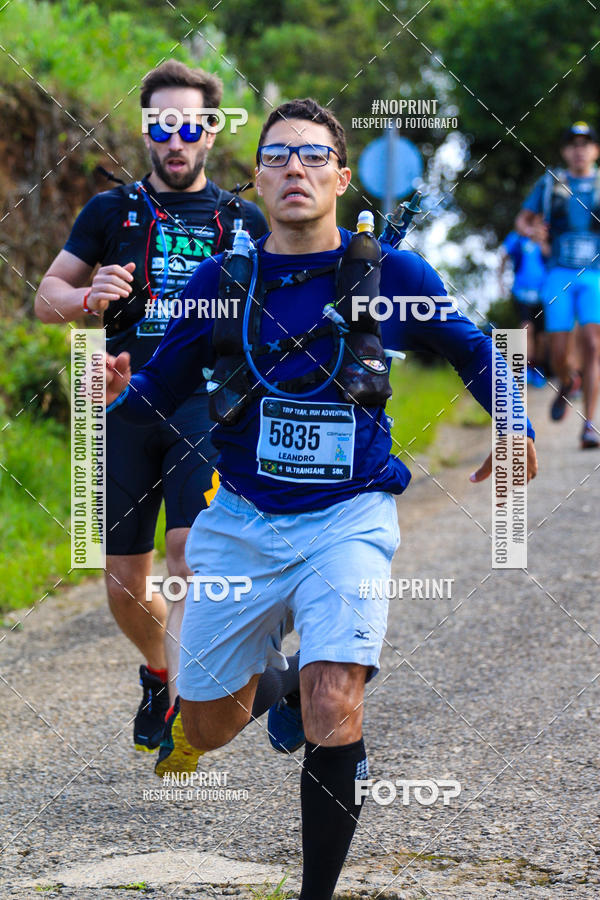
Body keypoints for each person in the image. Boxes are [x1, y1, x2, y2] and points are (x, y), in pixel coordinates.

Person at [103, 98, 538, 900]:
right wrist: (115, 392)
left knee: (335, 705)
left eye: (312, 157)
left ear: (340, 177)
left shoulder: (388, 275)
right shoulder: (219, 282)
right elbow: (155, 389)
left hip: (350, 519)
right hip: (239, 523)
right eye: (276, 157)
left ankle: (314, 893)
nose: (294, 169)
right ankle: (276, 679)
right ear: (256, 181)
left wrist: (512, 423)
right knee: (206, 725)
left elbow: (471, 347)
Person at [34, 60, 269, 752]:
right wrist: (87, 297)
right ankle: (159, 668)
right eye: (162, 123)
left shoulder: (242, 220)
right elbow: (47, 297)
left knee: (188, 557)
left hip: (203, 402)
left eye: (189, 124)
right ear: (147, 128)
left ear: (210, 131)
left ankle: (182, 722)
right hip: (123, 405)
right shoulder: (110, 212)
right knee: (122, 585)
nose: (175, 138)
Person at [515, 121, 600, 448]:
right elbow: (523, 219)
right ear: (566, 151)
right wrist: (531, 232)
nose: (580, 150)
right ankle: (567, 379)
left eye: (586, 143)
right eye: (573, 144)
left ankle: (590, 424)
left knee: (594, 344)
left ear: (595, 150)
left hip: (594, 275)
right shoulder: (551, 183)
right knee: (559, 351)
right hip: (559, 274)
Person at [499, 230, 547, 386]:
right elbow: (503, 256)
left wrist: (542, 241)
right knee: (527, 329)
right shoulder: (516, 239)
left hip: (542, 295)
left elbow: (552, 257)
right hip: (521, 293)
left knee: (541, 337)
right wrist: (500, 281)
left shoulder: (545, 238)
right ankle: (524, 369)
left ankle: (537, 368)